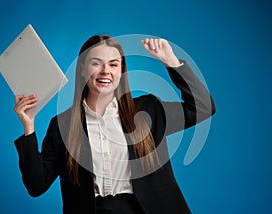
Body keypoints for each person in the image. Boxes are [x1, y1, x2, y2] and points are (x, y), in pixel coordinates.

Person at [14, 35, 216, 214]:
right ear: (83, 70)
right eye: (96, 63)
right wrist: (28, 126)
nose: (105, 71)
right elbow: (36, 185)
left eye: (113, 64)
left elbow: (203, 108)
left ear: (121, 71)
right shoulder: (62, 124)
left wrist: (171, 61)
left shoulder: (149, 110)